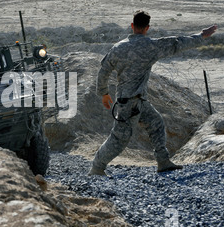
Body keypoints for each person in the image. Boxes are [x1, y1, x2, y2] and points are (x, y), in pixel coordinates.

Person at [89, 10, 217, 176]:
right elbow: (177, 43)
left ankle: (163, 161)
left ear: (132, 26)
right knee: (119, 139)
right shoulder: (151, 46)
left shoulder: (118, 48)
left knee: (156, 124)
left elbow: (103, 71)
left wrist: (104, 93)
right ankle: (97, 168)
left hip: (135, 101)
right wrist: (201, 35)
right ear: (147, 28)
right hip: (130, 103)